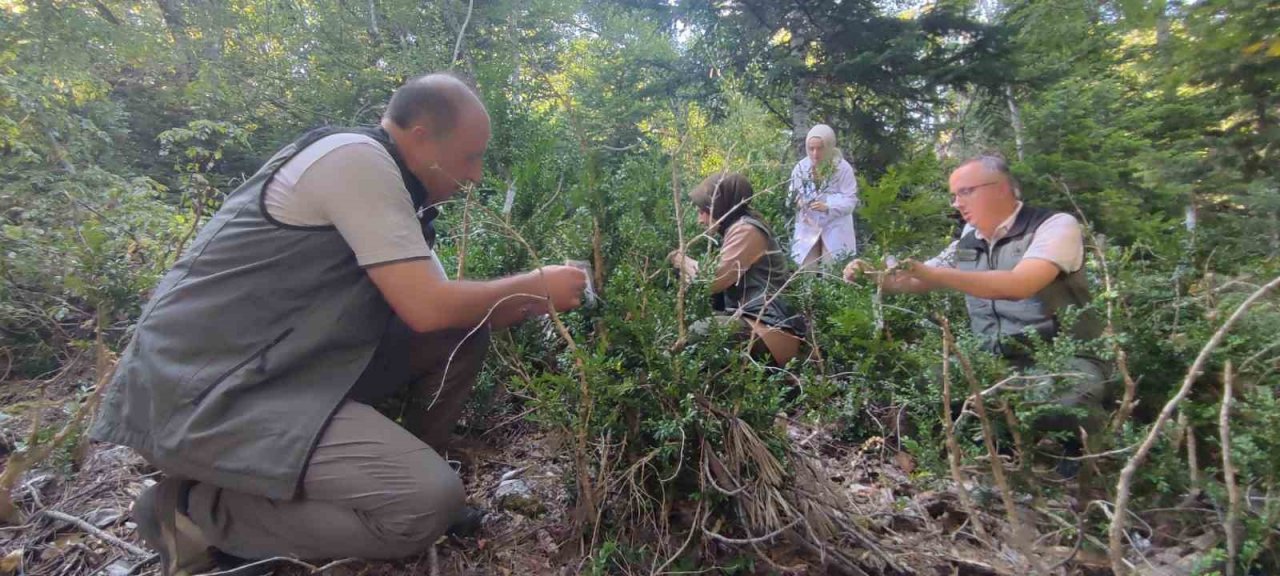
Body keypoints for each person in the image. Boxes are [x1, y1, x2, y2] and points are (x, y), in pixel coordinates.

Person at [89, 73, 589, 575]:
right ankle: (191, 514)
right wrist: (534, 285)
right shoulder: (355, 160)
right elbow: (426, 306)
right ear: (420, 137)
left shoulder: (395, 188)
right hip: (202, 395)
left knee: (461, 332)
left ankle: (400, 472)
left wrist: (541, 297)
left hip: (278, 376)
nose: (476, 175)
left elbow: (446, 315)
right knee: (424, 507)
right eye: (470, 157)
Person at [843, 155, 1108, 435]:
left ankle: (1085, 449)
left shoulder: (1054, 226)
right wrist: (874, 276)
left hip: (1062, 359)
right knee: (921, 386)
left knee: (1063, 406)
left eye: (965, 192)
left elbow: (1019, 284)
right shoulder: (969, 239)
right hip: (991, 361)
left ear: (1001, 189)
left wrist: (934, 275)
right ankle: (970, 446)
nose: (957, 203)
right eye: (954, 196)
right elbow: (916, 279)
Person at [669, 172, 807, 366]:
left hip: (771, 331)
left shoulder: (746, 230)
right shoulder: (738, 227)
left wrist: (681, 261)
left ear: (719, 206)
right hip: (760, 325)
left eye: (703, 210)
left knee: (700, 330)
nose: (700, 219)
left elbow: (712, 280)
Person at [789, 124, 858, 268]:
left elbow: (850, 201)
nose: (815, 153)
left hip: (835, 226)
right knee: (805, 271)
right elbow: (792, 195)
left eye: (820, 148)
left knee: (831, 271)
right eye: (811, 148)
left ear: (829, 146)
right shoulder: (801, 168)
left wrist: (828, 207)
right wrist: (799, 202)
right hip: (808, 225)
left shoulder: (843, 169)